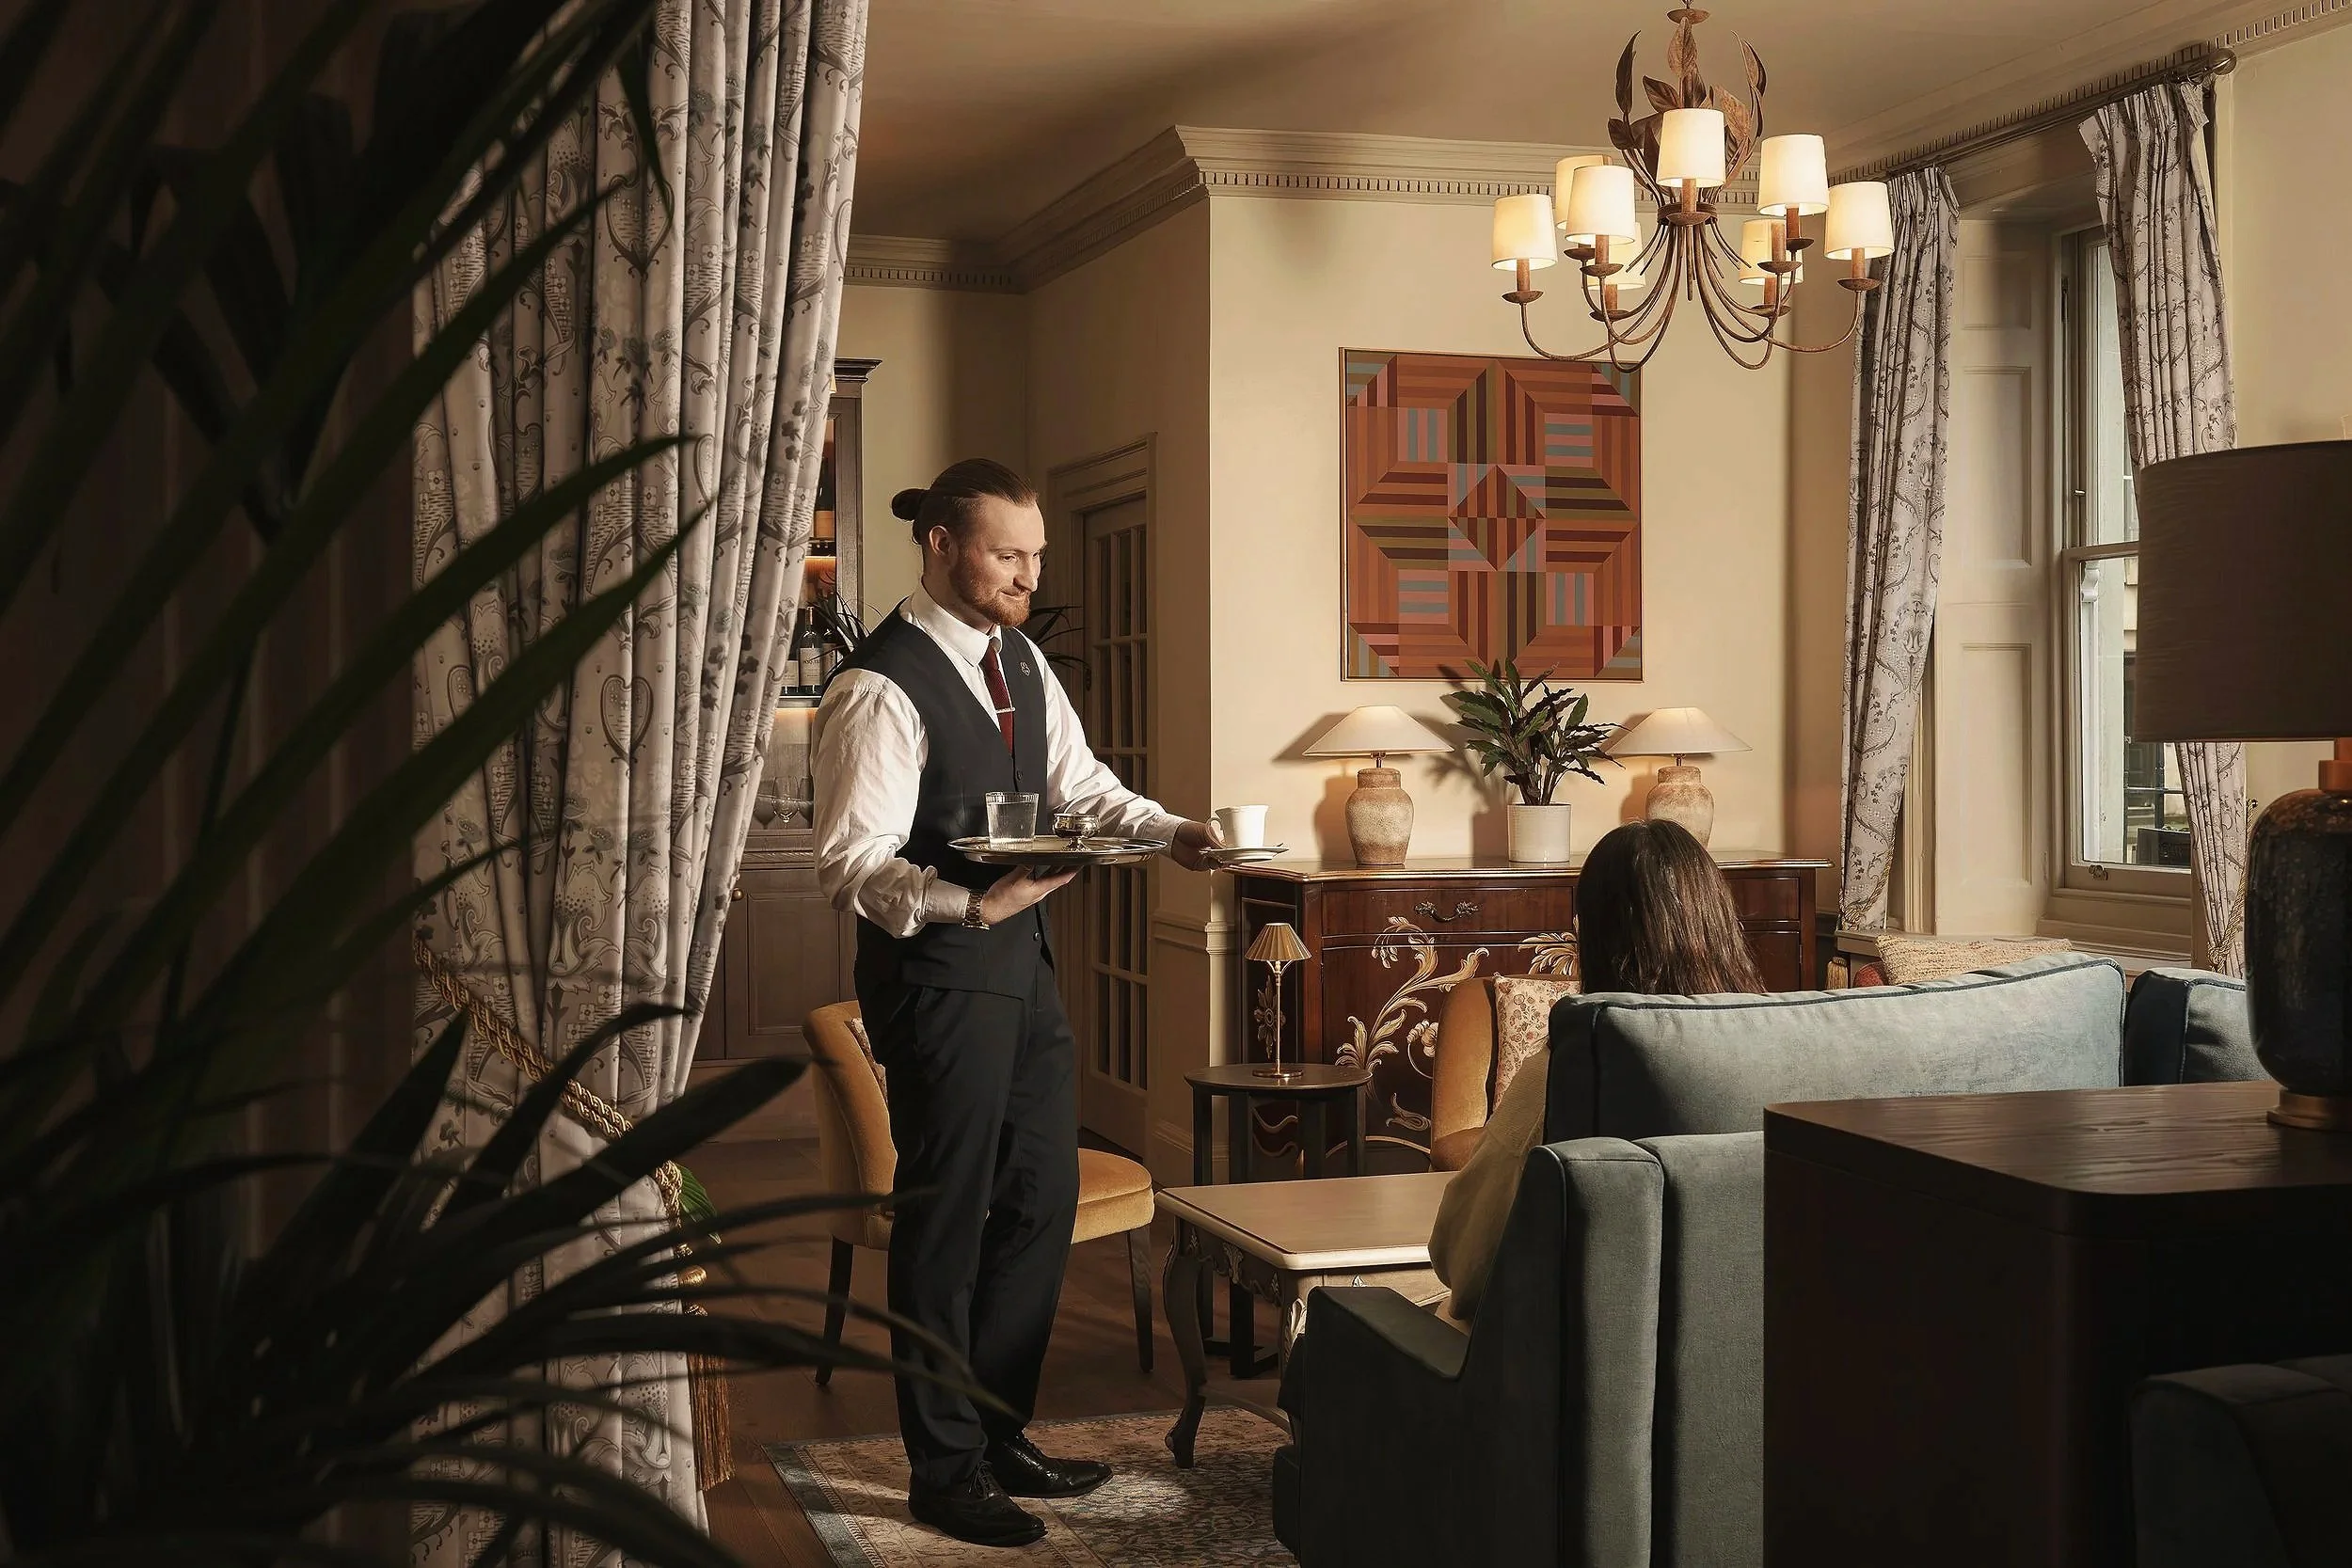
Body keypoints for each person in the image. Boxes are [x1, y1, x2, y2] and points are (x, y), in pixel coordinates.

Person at [812, 457, 1217, 1548]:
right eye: (1007, 555)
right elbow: (850, 861)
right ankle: (943, 1470)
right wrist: (969, 902)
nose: (1029, 576)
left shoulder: (1022, 660)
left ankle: (998, 1432)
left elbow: (1082, 786)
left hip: (1022, 967)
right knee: (947, 1216)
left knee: (1041, 1194)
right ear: (941, 544)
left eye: (1035, 555)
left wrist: (1173, 832)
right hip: (937, 975)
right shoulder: (879, 685)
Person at [1427, 818, 1765, 1322]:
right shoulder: (1776, 1055)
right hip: (1744, 1344)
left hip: (1569, 1349)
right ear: (1721, 923)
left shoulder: (1569, 1068)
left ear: (1588, 936)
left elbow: (1464, 1261)